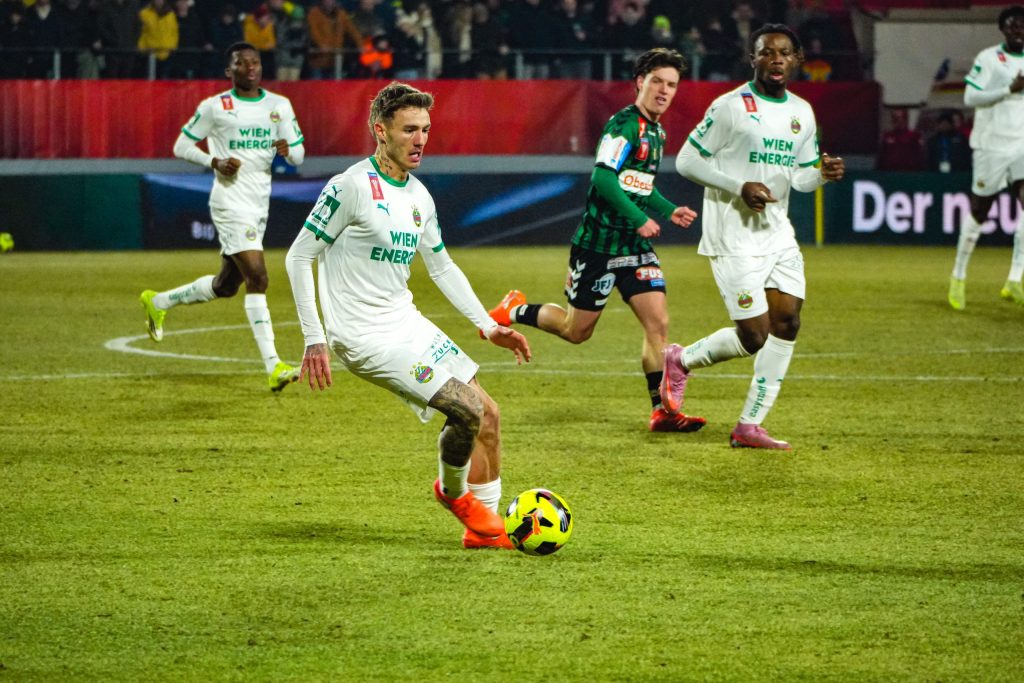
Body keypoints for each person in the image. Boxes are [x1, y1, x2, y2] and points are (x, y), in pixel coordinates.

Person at [284, 82, 532, 550]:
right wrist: (314, 337)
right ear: (380, 131)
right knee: (466, 408)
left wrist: (488, 324)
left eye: (426, 129)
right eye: (409, 130)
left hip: (406, 322)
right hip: (364, 337)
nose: (420, 140)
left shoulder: (419, 195)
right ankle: (453, 494)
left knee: (489, 415)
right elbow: (299, 256)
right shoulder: (350, 186)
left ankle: (484, 531)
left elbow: (441, 266)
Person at [486, 48, 706, 434]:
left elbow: (640, 185)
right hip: (598, 247)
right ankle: (514, 310)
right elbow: (603, 178)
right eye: (657, 81)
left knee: (658, 324)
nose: (664, 90)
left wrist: (668, 210)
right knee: (576, 331)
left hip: (634, 249)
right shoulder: (623, 126)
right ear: (640, 82)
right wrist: (639, 218)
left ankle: (662, 412)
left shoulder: (657, 132)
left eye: (671, 85)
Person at [665, 23, 845, 450]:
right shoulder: (730, 107)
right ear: (753, 59)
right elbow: (686, 160)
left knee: (788, 322)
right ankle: (681, 359)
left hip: (777, 232)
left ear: (796, 59)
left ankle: (749, 425)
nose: (775, 59)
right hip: (733, 236)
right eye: (766, 52)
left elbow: (800, 178)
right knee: (754, 335)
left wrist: (821, 174)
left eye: (784, 52)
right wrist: (738, 186)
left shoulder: (802, 112)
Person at [140, 42, 306, 392]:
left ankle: (158, 301)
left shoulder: (279, 105)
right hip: (230, 202)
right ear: (229, 70)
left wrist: (287, 150)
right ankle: (274, 365)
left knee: (227, 285)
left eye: (255, 62)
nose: (250, 67)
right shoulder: (215, 107)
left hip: (259, 203)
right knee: (258, 277)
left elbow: (299, 156)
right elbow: (181, 146)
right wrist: (213, 161)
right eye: (242, 63)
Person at [948, 5, 1024, 310]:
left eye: (1022, 26)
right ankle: (958, 275)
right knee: (980, 211)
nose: (1018, 30)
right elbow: (970, 97)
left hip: (1022, 143)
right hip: (991, 145)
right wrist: (1009, 89)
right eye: (1012, 26)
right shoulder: (989, 58)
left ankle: (1014, 279)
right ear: (1003, 29)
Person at [876, 107, 926, 172]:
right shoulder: (887, 136)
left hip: (910, 172)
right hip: (891, 172)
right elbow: (882, 156)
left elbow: (920, 156)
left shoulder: (915, 136)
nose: (899, 121)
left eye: (902, 118)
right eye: (896, 119)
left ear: (906, 119)